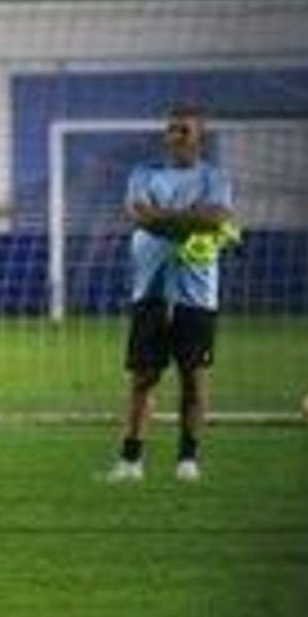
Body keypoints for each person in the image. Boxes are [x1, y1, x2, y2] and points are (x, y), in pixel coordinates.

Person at [107, 103, 237, 483]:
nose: (176, 136)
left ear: (199, 136)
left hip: (196, 294)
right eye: (172, 129)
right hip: (149, 290)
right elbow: (139, 214)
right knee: (143, 377)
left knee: (193, 378)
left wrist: (162, 217)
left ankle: (188, 460)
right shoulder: (144, 173)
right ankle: (130, 461)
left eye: (184, 130)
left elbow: (217, 217)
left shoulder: (215, 177)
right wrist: (191, 219)